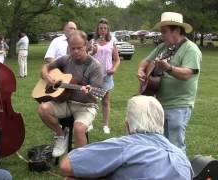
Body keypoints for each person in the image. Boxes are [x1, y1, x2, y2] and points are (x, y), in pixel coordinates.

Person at [59, 95, 193, 179]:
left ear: (128, 125)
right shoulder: (181, 156)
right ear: (161, 122)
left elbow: (67, 165)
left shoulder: (124, 146)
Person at [137, 12, 202, 152]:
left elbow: (187, 74)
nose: (161, 35)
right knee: (161, 145)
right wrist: (141, 71)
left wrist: (169, 68)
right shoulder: (163, 47)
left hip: (179, 104)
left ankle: (180, 173)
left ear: (177, 30)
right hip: (159, 103)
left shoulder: (191, 49)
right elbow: (145, 61)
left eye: (164, 31)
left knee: (175, 146)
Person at [38, 30, 103, 157]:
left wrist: (88, 92)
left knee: (79, 129)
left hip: (86, 106)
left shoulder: (95, 66)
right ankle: (62, 135)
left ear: (87, 46)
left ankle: (80, 163)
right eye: (73, 48)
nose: (76, 51)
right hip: (66, 102)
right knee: (42, 109)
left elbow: (95, 97)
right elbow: (45, 67)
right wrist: (46, 76)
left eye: (79, 48)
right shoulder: (65, 60)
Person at [91, 18, 120, 134]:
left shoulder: (112, 42)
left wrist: (114, 69)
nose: (103, 30)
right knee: (92, 101)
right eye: (101, 28)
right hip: (95, 75)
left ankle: (105, 125)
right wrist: (91, 50)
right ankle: (90, 123)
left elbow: (117, 60)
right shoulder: (93, 42)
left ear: (108, 30)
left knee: (106, 101)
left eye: (105, 28)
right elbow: (87, 57)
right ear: (97, 30)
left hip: (107, 76)